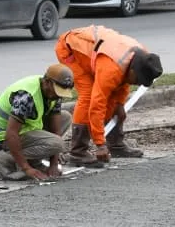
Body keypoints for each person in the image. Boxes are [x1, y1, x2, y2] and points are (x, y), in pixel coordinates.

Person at [54, 24, 163, 167]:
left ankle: (115, 145)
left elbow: (124, 81)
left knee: (113, 100)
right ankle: (78, 152)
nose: (136, 84)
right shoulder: (111, 69)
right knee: (88, 96)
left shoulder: (143, 58)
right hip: (70, 50)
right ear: (133, 70)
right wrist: (100, 144)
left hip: (97, 53)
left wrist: (119, 104)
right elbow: (96, 106)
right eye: (138, 80)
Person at [0, 63, 77, 181]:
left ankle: (32, 160)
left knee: (65, 118)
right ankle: (4, 159)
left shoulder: (53, 93)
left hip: (24, 127)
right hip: (1, 136)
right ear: (47, 82)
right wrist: (26, 169)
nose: (59, 96)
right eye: (58, 92)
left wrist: (53, 165)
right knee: (56, 143)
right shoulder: (27, 97)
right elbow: (11, 133)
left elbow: (56, 128)